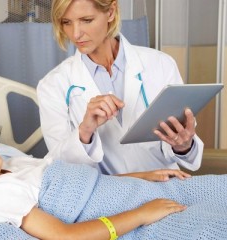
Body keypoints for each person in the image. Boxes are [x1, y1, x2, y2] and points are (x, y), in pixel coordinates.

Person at [0, 113, 227, 240]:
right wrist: (142, 214)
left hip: (132, 191)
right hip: (131, 219)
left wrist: (141, 176)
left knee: (213, 188)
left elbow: (89, 184)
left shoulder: (12, 165)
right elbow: (65, 236)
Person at [37, 0, 204, 175]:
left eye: (86, 20)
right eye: (66, 22)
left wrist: (183, 146)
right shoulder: (53, 85)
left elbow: (185, 151)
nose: (76, 34)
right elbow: (60, 168)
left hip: (166, 185)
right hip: (107, 195)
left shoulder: (161, 64)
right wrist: (85, 131)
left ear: (110, 12)